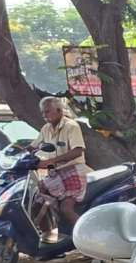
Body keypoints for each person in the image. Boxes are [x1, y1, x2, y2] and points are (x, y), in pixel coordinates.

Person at [28, 97, 90, 234]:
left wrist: (52, 161)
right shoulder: (46, 129)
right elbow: (33, 146)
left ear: (59, 110)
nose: (45, 116)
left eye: (47, 112)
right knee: (37, 201)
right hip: (55, 173)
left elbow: (78, 151)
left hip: (74, 171)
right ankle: (48, 239)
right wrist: (18, 152)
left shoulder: (71, 126)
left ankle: (88, 235)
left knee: (66, 209)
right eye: (43, 113)